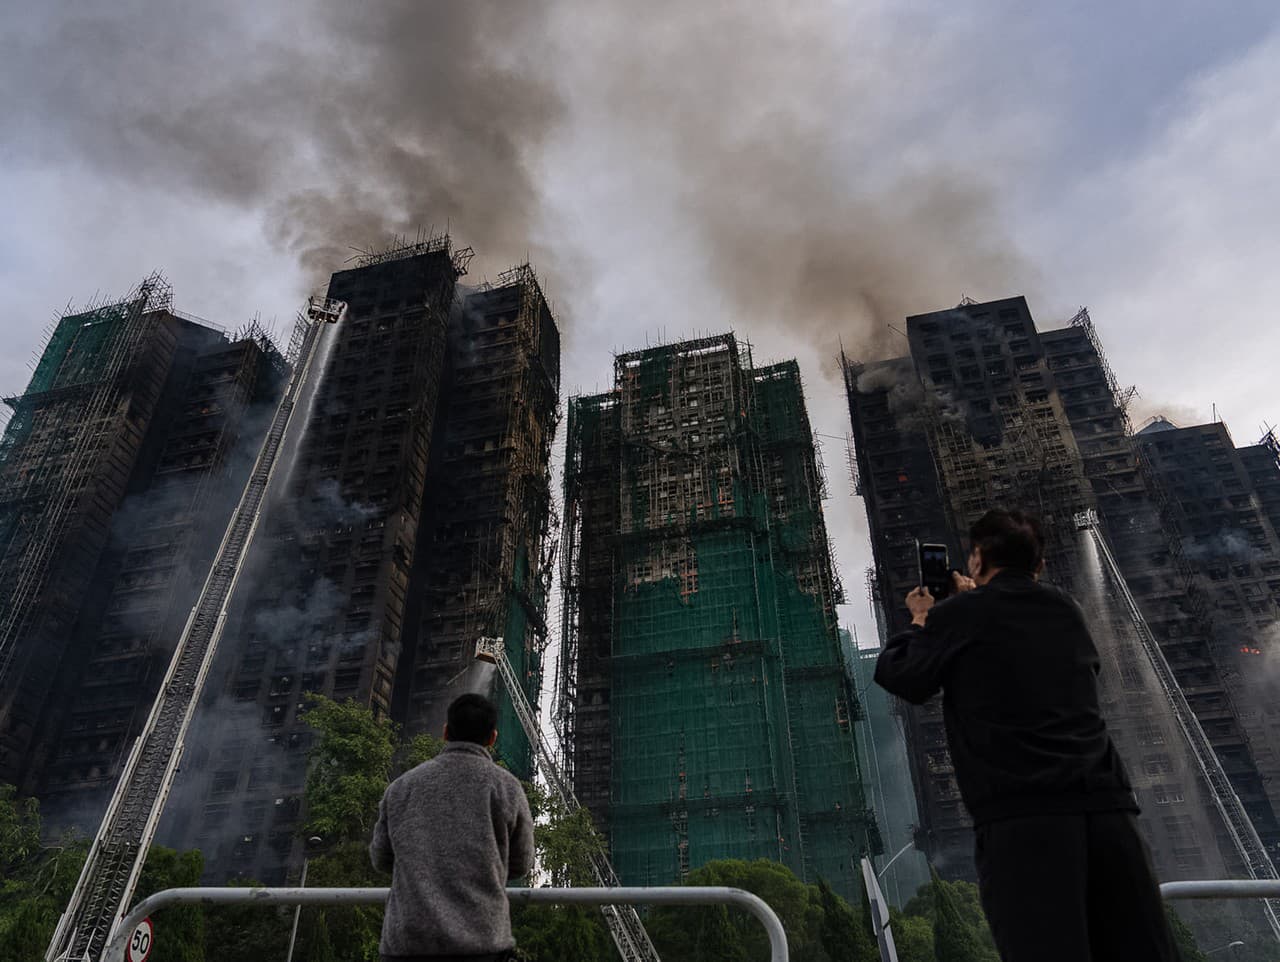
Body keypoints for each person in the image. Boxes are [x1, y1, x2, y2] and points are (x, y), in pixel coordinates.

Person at [875, 508, 1179, 962]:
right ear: (1038, 565)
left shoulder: (959, 615)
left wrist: (922, 617)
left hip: (1025, 821)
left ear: (976, 560)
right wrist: (971, 603)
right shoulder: (1066, 610)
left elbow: (903, 676)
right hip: (1109, 813)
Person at [371, 693, 534, 962]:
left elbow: (381, 859)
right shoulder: (507, 788)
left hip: (406, 946)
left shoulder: (401, 787)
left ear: (445, 732)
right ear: (493, 738)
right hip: (482, 946)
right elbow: (521, 863)